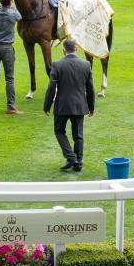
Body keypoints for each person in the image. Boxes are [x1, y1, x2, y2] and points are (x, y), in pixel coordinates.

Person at [43, 38, 95, 172]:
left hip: (62, 105)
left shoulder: (57, 65)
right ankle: (78, 162)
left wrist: (47, 106)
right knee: (78, 135)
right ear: (76, 49)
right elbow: (90, 89)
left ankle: (71, 157)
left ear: (63, 50)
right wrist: (91, 107)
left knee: (59, 131)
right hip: (79, 105)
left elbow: (51, 88)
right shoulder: (86, 65)